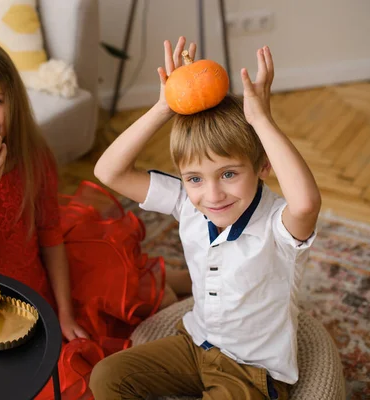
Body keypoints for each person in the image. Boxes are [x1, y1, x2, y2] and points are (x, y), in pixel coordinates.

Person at [0, 35, 179, 399]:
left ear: (13, 101)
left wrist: (66, 313)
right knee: (68, 385)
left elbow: (50, 235)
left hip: (46, 287)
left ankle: (196, 279)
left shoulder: (32, 156)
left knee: (142, 288)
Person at [89, 36, 322, 400]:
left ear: (263, 166)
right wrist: (164, 107)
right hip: (195, 346)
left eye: (229, 174)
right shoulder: (186, 202)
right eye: (195, 178)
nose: (212, 196)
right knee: (107, 376)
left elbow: (306, 203)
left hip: (251, 372)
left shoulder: (278, 224)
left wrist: (260, 119)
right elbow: (109, 171)